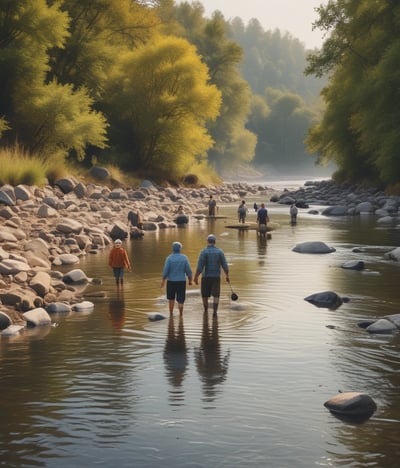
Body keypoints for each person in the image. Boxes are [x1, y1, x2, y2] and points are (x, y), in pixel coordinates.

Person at [194, 234, 229, 317]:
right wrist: (227, 275)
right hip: (216, 277)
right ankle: (215, 312)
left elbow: (200, 267)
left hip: (205, 277)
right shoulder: (220, 252)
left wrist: (195, 277)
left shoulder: (203, 252)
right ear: (215, 242)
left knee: (205, 294)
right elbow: (225, 265)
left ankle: (205, 310)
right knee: (216, 295)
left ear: (208, 241)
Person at [161, 242, 193, 316]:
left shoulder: (169, 258)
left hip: (171, 282)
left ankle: (171, 315)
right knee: (181, 300)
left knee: (171, 299)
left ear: (173, 249)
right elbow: (188, 271)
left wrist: (163, 281)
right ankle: (181, 316)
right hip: (181, 282)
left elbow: (165, 271)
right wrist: (190, 280)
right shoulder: (184, 258)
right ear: (180, 249)